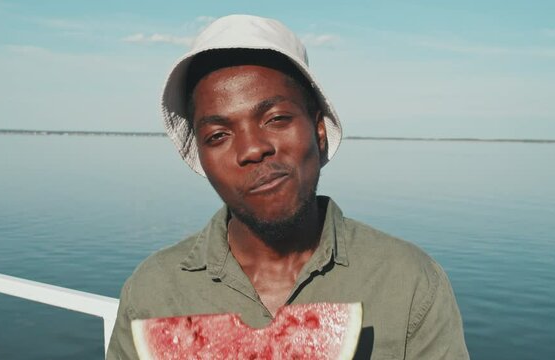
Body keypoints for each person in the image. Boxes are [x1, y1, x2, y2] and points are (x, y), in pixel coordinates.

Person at [107, 14, 469, 359]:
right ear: (201, 157)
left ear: (319, 131)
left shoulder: (410, 282)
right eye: (218, 135)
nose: (252, 149)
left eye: (276, 118)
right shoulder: (152, 292)